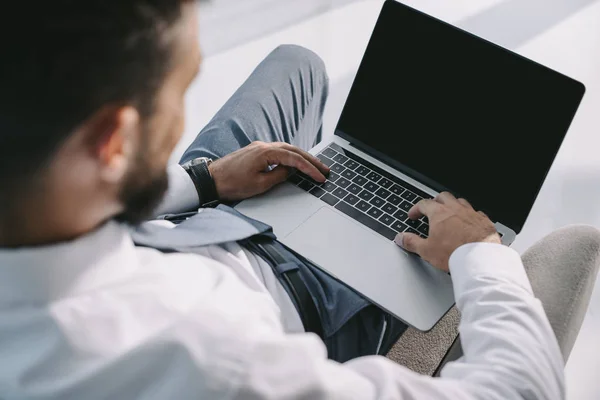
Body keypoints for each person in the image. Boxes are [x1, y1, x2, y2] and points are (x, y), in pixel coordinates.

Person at [0, 1, 598, 399]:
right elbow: (520, 388)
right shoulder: (214, 360)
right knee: (563, 239)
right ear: (114, 143)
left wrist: (206, 181)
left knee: (297, 66)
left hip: (195, 220)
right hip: (308, 298)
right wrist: (480, 254)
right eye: (181, 86)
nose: (182, 103)